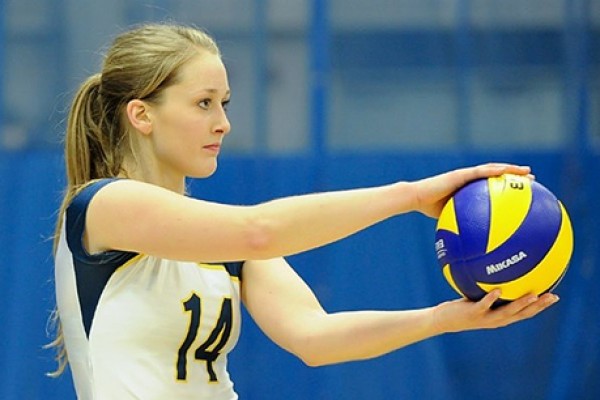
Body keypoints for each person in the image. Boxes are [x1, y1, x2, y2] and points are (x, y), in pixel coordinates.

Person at [48, 23, 558, 400]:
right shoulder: (104, 206)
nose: (223, 123)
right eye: (204, 103)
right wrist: (410, 195)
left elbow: (316, 338)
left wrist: (444, 319)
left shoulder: (220, 247)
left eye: (225, 102)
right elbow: (259, 232)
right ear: (142, 114)